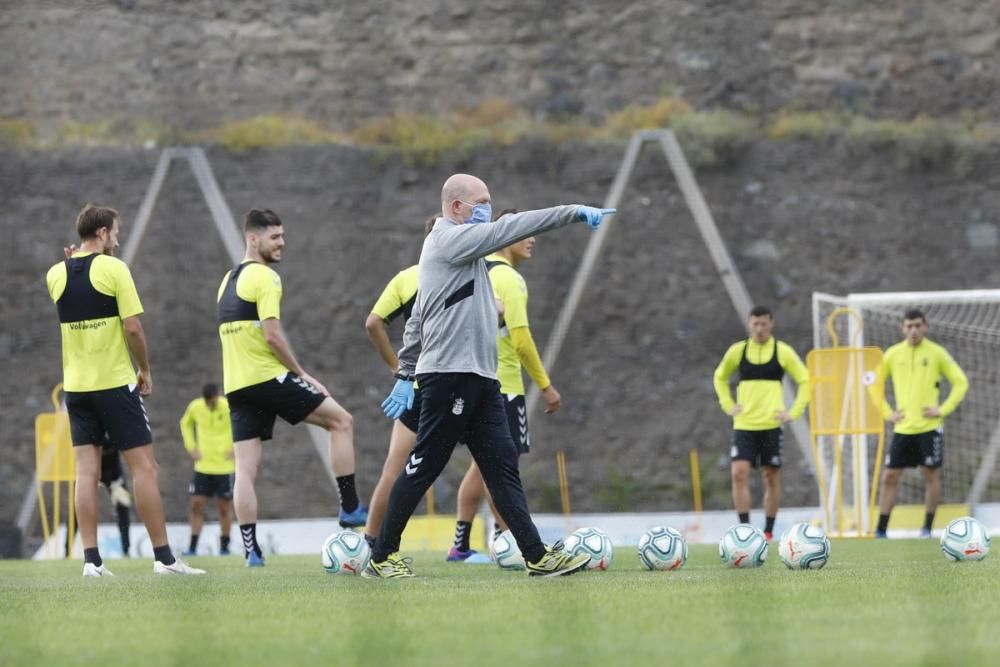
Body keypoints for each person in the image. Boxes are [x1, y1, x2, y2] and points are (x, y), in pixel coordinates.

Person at [366, 173, 613, 578]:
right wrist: (572, 212)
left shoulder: (466, 254)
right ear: (457, 207)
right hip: (450, 376)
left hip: (481, 378)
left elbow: (418, 319)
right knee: (424, 465)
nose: (488, 208)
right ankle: (380, 557)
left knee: (502, 468)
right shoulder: (449, 240)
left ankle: (536, 556)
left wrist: (405, 370)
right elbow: (512, 227)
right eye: (481, 202)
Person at [46, 204, 203, 576]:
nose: (117, 237)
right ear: (101, 232)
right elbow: (132, 327)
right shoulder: (115, 268)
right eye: (115, 231)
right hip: (115, 384)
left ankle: (91, 562)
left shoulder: (55, 274)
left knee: (86, 473)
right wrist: (144, 369)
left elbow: (78, 285)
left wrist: (74, 262)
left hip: (77, 390)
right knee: (145, 469)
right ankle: (164, 559)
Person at [217, 208, 365, 568]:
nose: (282, 243)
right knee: (341, 421)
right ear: (253, 239)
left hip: (236, 386)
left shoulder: (226, 281)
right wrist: (302, 373)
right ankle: (349, 508)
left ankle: (251, 551)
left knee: (246, 469)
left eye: (282, 236)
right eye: (275, 237)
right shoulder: (266, 278)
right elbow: (271, 334)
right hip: (267, 377)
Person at [448, 209, 563, 561]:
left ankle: (463, 543)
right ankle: (510, 541)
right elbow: (522, 339)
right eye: (524, 232)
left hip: (477, 381)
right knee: (502, 468)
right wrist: (545, 385)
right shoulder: (510, 280)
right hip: (506, 386)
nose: (532, 238)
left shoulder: (482, 272)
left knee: (482, 465)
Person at [713, 305, 809, 540]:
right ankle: (744, 529)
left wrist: (793, 412)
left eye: (763, 323)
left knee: (770, 476)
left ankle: (768, 530)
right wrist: (728, 404)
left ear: (771, 323)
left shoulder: (782, 351)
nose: (759, 328)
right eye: (755, 324)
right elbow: (720, 376)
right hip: (745, 424)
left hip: (771, 425)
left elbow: (805, 380)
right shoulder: (738, 351)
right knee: (739, 472)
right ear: (749, 324)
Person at [875, 309, 968, 538]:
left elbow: (961, 382)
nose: (913, 330)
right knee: (889, 476)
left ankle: (927, 528)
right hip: (903, 428)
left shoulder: (937, 353)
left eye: (917, 325)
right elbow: (872, 383)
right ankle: (880, 531)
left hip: (929, 427)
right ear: (902, 328)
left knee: (931, 475)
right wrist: (887, 412)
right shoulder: (893, 354)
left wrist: (942, 409)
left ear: (925, 327)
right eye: (909, 326)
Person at [179, 382, 235, 556]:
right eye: (208, 402)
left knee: (224, 508)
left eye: (213, 401)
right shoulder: (196, 406)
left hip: (224, 467)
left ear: (218, 396)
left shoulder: (228, 406)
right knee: (196, 505)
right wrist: (191, 447)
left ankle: (225, 547)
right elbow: (185, 424)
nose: (210, 404)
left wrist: (236, 446)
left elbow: (242, 421)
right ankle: (192, 547)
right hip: (202, 467)